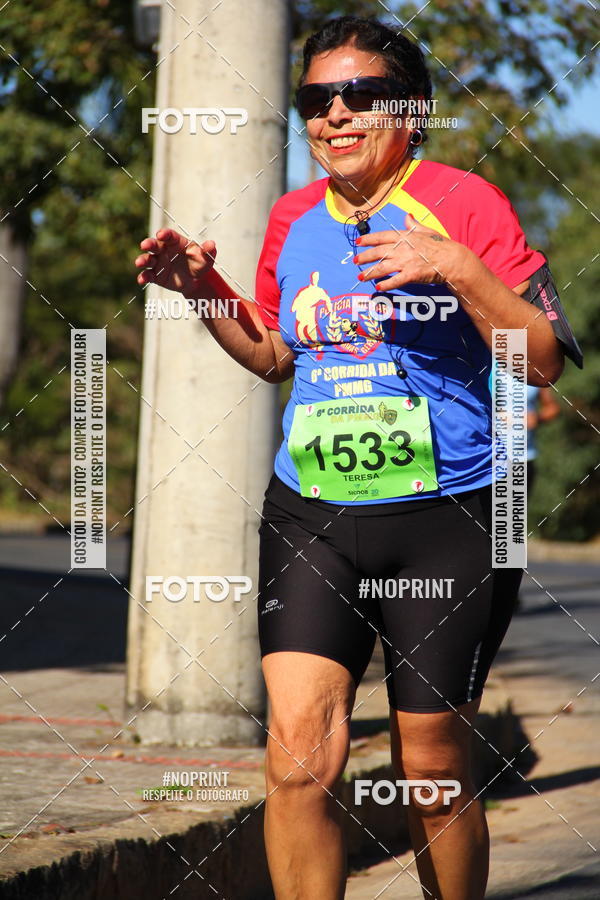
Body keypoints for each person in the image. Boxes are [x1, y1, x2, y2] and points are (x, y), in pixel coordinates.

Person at [135, 16, 572, 900]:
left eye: (360, 95)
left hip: (449, 516)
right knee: (298, 758)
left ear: (410, 109)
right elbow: (270, 353)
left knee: (432, 766)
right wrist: (203, 291)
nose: (334, 114)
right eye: (315, 99)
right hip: (313, 517)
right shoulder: (295, 215)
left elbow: (541, 357)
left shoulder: (465, 201)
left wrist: (454, 264)